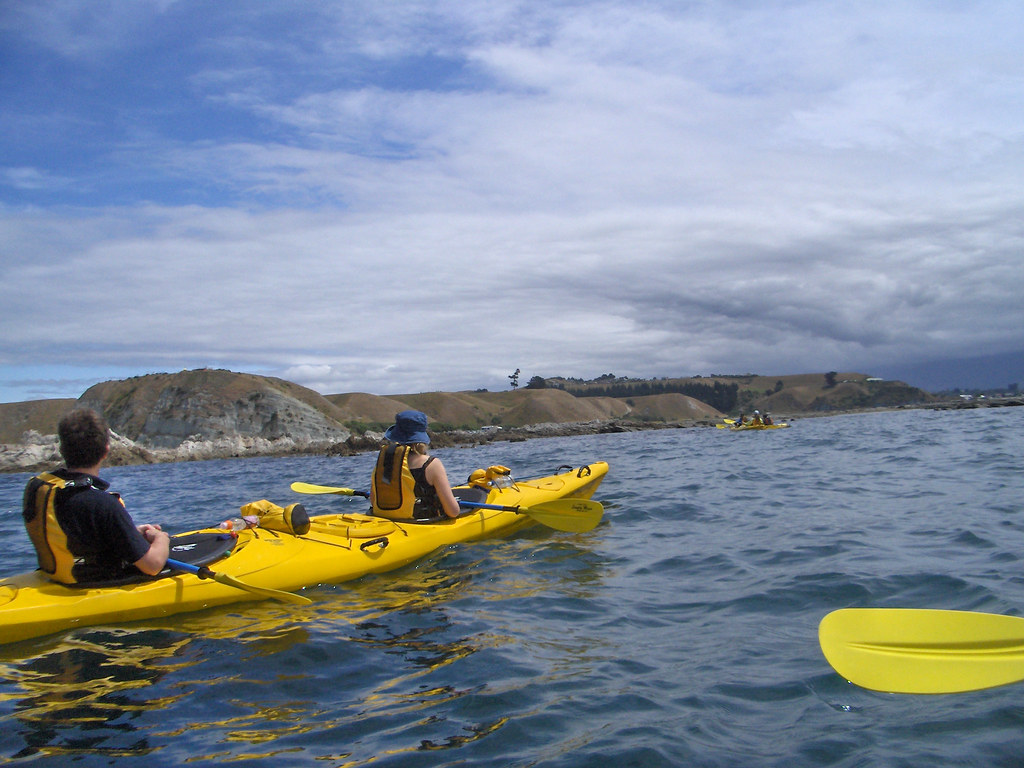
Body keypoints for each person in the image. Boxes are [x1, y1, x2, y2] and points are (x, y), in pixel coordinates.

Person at [22, 408, 170, 584]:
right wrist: (162, 539)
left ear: (62, 449)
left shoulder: (36, 488)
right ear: (106, 451)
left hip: (54, 577)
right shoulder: (102, 504)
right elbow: (152, 565)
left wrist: (128, 533)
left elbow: (74, 534)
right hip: (89, 584)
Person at [370, 410, 461, 521]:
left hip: (387, 521)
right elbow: (453, 512)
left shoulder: (384, 461)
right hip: (420, 524)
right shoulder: (431, 464)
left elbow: (373, 500)